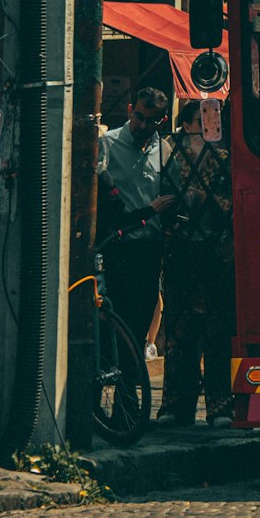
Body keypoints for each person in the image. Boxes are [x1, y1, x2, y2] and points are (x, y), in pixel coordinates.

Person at [158, 100, 236, 428]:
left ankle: (219, 406)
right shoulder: (170, 154)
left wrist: (208, 199)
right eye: (200, 120)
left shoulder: (228, 157)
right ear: (188, 123)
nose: (206, 126)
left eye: (213, 119)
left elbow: (235, 202)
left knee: (217, 332)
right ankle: (178, 405)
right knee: (180, 331)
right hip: (183, 254)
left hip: (216, 254)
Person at [97, 88, 174, 354]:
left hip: (149, 248)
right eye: (138, 116)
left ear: (161, 121)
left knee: (141, 320)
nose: (142, 125)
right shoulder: (107, 144)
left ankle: (127, 390)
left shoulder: (162, 150)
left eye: (150, 120)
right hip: (118, 247)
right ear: (130, 110)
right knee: (117, 321)